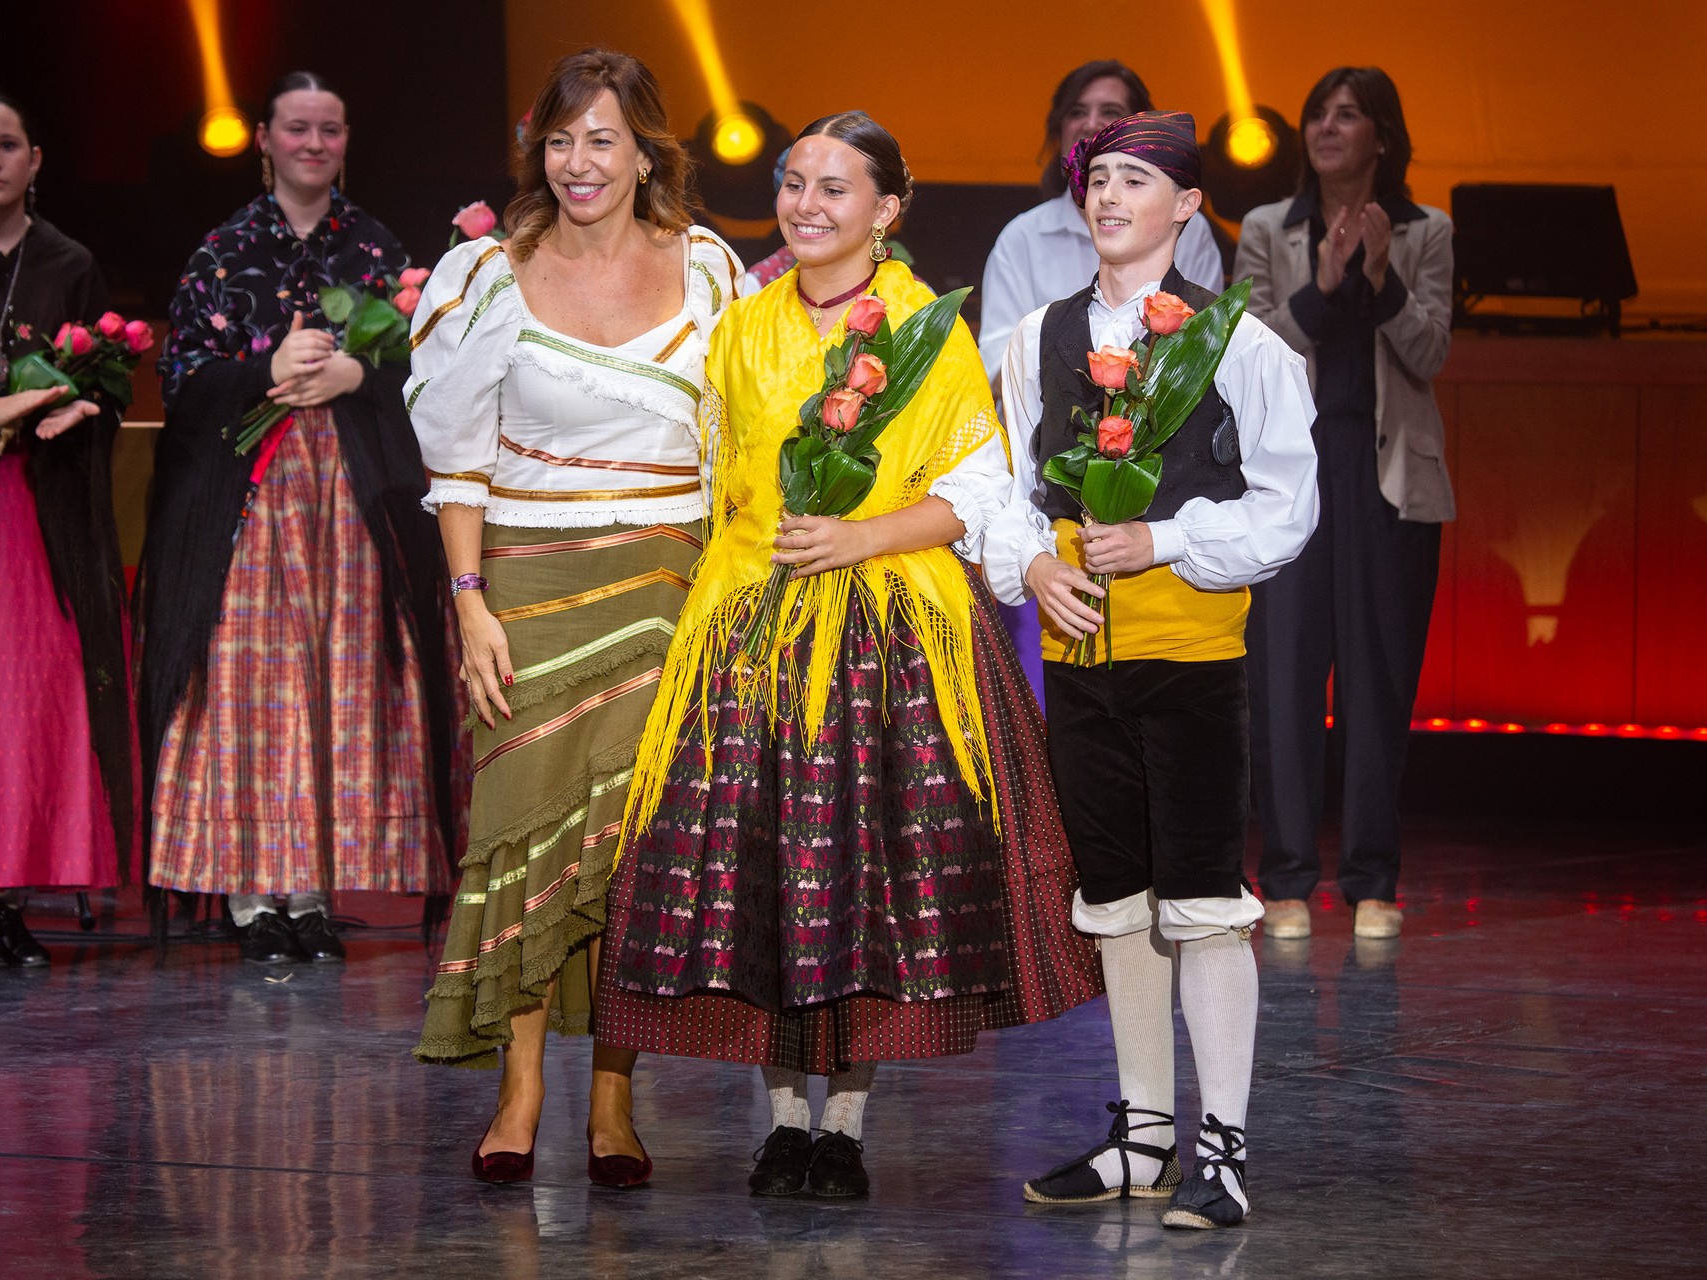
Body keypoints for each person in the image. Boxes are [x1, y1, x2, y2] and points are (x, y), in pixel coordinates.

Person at [593, 110, 1099, 1200]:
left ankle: (848, 1125)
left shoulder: (924, 328)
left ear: (886, 210)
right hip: (752, 626)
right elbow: (713, 479)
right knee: (768, 872)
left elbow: (974, 492)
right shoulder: (742, 324)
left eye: (835, 187)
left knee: (868, 882)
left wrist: (858, 537)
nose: (807, 204)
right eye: (794, 182)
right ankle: (783, 1120)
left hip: (887, 629)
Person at [406, 48, 746, 1190]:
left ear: (647, 151)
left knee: (628, 846)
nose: (578, 162)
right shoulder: (483, 272)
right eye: (559, 140)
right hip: (527, 584)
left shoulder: (709, 267)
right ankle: (520, 1086)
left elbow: (739, 441)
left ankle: (612, 1093)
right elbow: (458, 460)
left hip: (670, 585)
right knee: (523, 830)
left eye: (603, 139)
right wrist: (469, 605)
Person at [985, 111, 1317, 1230]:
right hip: (1081, 660)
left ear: (1187, 207)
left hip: (1190, 660)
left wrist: (1164, 539)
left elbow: (1287, 508)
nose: (1110, 195)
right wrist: (1035, 564)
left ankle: (1222, 1147)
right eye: (1098, 177)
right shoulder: (1037, 337)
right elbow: (1007, 487)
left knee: (1205, 902)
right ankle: (1144, 1135)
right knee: (1116, 902)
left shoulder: (1240, 344)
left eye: (1137, 178)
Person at [139, 72, 462, 966]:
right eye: (297, 128)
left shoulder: (375, 248)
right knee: (254, 686)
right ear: (264, 139)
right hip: (249, 504)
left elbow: (431, 369)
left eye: (329, 129)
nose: (314, 144)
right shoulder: (224, 250)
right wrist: (264, 370)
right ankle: (253, 896)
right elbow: (182, 380)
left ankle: (314, 892)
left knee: (340, 680)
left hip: (350, 508)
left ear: (346, 140)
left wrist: (362, 375)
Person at [0, 89, 139, 967]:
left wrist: (82, 408)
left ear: (35, 159)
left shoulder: (67, 261)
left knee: (31, 702)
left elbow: (109, 385)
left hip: (45, 512)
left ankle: (8, 897)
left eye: (7, 144)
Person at [1236, 67, 1454, 941]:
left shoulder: (1427, 230)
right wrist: (1323, 285)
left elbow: (1430, 353)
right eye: (1317, 114)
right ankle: (1286, 878)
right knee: (1283, 680)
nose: (1327, 128)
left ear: (1382, 136)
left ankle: (1372, 882)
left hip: (1386, 479)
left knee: (1378, 684)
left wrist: (1382, 276)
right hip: (1290, 476)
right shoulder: (1268, 228)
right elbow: (1249, 352)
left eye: (1348, 114)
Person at [978, 60, 1224, 393]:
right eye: (1077, 112)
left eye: (1110, 111)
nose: (1091, 124)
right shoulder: (1022, 237)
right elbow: (997, 362)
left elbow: (1207, 342)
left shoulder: (1190, 231)